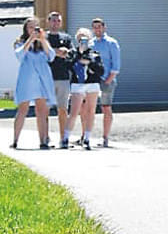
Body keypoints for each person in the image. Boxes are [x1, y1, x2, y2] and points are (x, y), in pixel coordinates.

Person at [11, 16, 56, 149]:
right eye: (30, 27)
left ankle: (42, 141)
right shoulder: (20, 42)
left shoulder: (43, 42)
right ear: (26, 29)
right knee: (23, 109)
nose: (33, 29)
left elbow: (51, 56)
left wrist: (42, 40)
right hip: (27, 79)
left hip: (42, 79)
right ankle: (15, 140)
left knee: (41, 110)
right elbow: (19, 55)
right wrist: (30, 39)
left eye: (36, 27)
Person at [68, 27, 105, 148]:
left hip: (91, 85)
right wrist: (79, 54)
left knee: (90, 111)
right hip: (77, 85)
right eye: (80, 39)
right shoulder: (73, 53)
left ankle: (87, 137)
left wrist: (90, 62)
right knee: (75, 111)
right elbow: (69, 65)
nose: (82, 41)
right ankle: (66, 137)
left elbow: (100, 70)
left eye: (85, 39)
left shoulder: (94, 54)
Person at [90, 17, 121, 147]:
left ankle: (105, 137)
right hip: (92, 81)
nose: (97, 29)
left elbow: (116, 65)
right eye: (95, 27)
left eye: (99, 27)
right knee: (89, 108)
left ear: (104, 27)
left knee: (106, 107)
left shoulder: (111, 43)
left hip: (107, 80)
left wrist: (108, 81)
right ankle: (86, 136)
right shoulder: (91, 44)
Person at [45, 11, 74, 147]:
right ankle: (44, 138)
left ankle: (63, 138)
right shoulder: (43, 37)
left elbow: (71, 54)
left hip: (63, 78)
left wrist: (65, 53)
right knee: (44, 109)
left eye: (58, 21)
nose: (55, 23)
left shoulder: (66, 38)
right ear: (48, 21)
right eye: (53, 20)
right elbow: (42, 53)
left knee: (62, 109)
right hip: (46, 78)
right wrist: (57, 52)